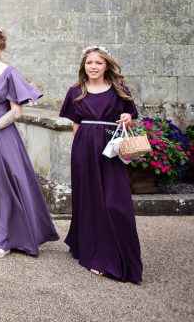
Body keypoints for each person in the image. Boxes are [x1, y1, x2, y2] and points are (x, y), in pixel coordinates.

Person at [0, 26, 58, 258]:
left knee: (4, 184)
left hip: (0, 136)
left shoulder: (9, 73)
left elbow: (16, 111)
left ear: (1, 47)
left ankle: (4, 238)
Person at [59, 46, 141, 282]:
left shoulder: (119, 90)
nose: (93, 67)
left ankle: (118, 255)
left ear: (106, 66)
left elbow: (130, 118)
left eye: (98, 63)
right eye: (89, 63)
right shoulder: (76, 91)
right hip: (84, 150)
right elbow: (76, 124)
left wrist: (127, 118)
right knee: (89, 199)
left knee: (115, 203)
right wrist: (81, 152)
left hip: (110, 151)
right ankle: (95, 252)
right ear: (83, 66)